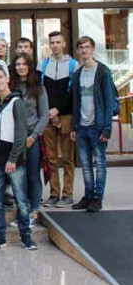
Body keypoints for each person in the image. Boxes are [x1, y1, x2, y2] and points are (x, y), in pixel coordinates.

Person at [0, 67, 37, 251]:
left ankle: (26, 236)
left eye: (0, 77)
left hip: (14, 158)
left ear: (7, 79)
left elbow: (21, 133)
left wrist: (13, 158)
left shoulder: (16, 102)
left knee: (20, 199)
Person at [70, 36, 116, 213]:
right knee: (86, 165)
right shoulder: (77, 74)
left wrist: (107, 128)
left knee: (99, 163)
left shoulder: (103, 72)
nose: (84, 50)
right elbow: (76, 101)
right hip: (82, 126)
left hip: (97, 126)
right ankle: (88, 196)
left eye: (87, 47)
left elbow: (109, 101)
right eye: (81, 47)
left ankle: (98, 197)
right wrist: (75, 126)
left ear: (93, 49)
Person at [38, 31, 78, 208]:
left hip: (67, 115)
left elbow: (73, 93)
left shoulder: (73, 65)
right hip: (47, 116)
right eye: (52, 42)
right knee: (51, 158)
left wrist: (58, 110)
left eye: (58, 42)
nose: (55, 45)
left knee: (68, 158)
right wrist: (49, 112)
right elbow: (41, 91)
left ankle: (67, 194)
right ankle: (54, 194)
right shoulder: (43, 64)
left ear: (64, 44)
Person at [9, 53, 49, 226]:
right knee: (18, 177)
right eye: (17, 64)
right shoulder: (10, 86)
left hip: (32, 136)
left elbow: (44, 115)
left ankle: (33, 212)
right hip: (14, 138)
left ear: (30, 66)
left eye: (24, 64)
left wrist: (33, 136)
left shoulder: (38, 87)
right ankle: (21, 212)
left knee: (32, 175)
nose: (20, 67)